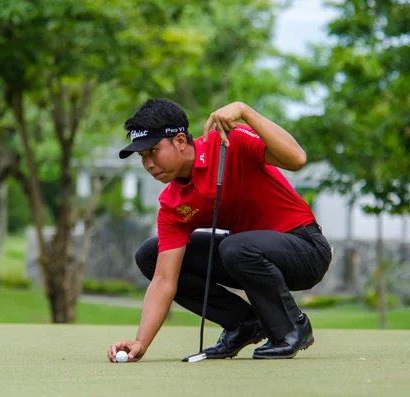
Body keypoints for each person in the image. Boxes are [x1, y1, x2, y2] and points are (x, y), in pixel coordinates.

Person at [107, 98, 332, 363]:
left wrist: (245, 111)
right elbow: (164, 280)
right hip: (247, 257)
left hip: (305, 249)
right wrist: (140, 342)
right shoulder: (172, 204)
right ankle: (243, 324)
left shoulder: (227, 142)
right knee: (150, 254)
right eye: (143, 156)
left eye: (153, 151)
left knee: (235, 247)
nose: (148, 164)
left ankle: (292, 326)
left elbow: (297, 159)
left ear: (180, 141)